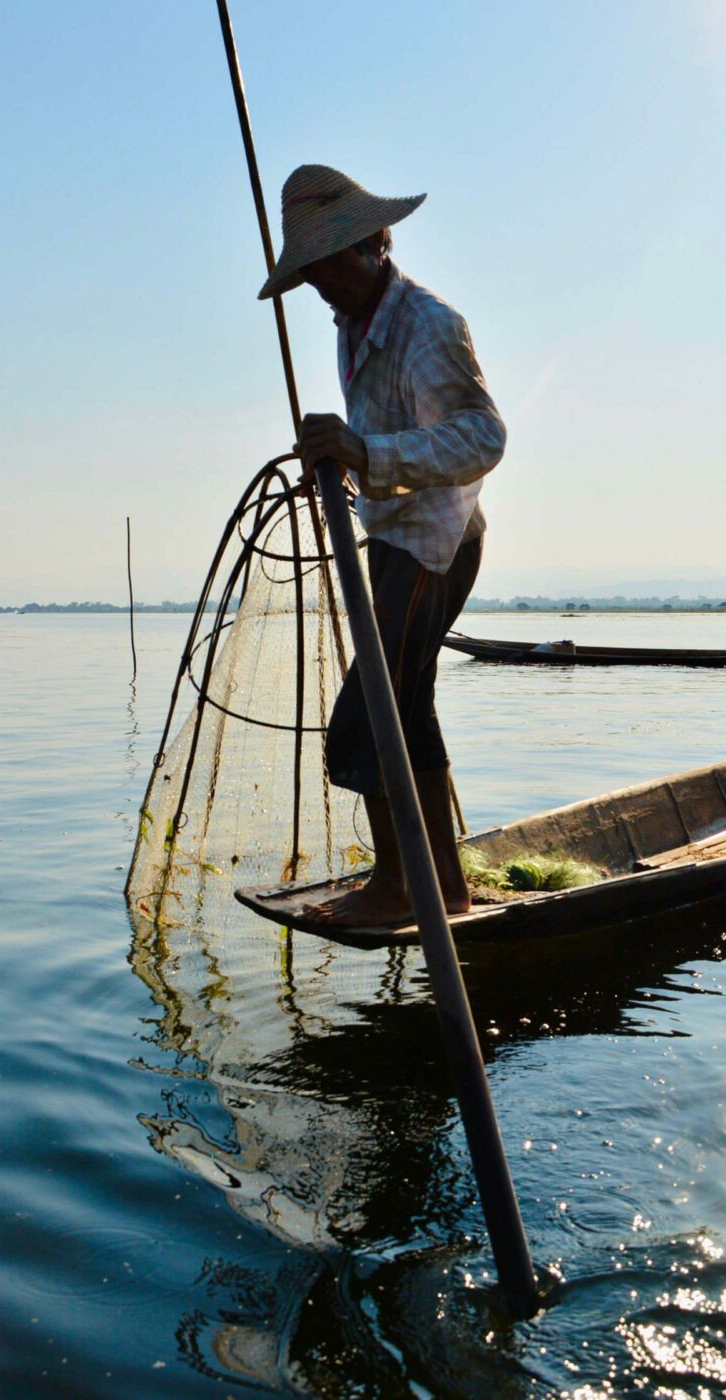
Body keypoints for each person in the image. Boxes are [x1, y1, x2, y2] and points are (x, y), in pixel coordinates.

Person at [258, 164, 506, 927]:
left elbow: (481, 437)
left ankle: (402, 889)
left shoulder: (427, 322)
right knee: (408, 705)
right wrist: (343, 462)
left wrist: (366, 453)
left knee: (371, 714)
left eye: (329, 264)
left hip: (436, 543)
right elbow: (378, 438)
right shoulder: (354, 322)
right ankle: (445, 886)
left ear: (372, 245)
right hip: (395, 538)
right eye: (310, 272)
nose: (320, 285)